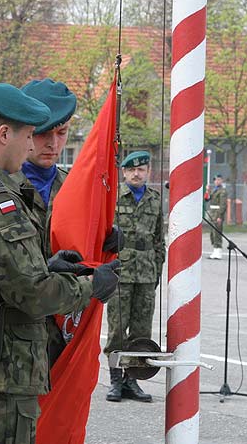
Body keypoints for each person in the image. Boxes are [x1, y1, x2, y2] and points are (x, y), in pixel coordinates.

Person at [0, 82, 120, 444]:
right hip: (0, 362)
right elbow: (32, 291)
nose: (40, 144)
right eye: (33, 134)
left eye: (62, 133)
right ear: (6, 133)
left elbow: (5, 269)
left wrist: (56, 262)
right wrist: (92, 286)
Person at [13, 78, 122, 366]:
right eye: (42, 134)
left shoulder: (75, 187)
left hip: (62, 333)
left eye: (62, 132)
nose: (53, 143)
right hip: (13, 336)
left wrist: (103, 242)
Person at [104, 150, 165, 403]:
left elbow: (159, 240)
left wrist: (157, 271)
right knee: (118, 329)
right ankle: (116, 380)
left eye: (142, 169)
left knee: (141, 331)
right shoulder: (114, 198)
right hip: (122, 271)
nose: (137, 174)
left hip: (146, 273)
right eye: (132, 170)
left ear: (148, 172)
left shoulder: (154, 199)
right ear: (124, 172)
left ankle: (133, 380)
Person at [205, 174, 227, 259]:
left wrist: (220, 216)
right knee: (212, 233)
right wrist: (207, 191)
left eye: (219, 180)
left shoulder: (222, 191)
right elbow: (207, 199)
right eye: (215, 180)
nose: (217, 181)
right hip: (212, 214)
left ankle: (218, 250)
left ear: (221, 181)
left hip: (217, 214)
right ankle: (215, 250)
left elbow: (223, 205)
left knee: (217, 233)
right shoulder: (214, 190)